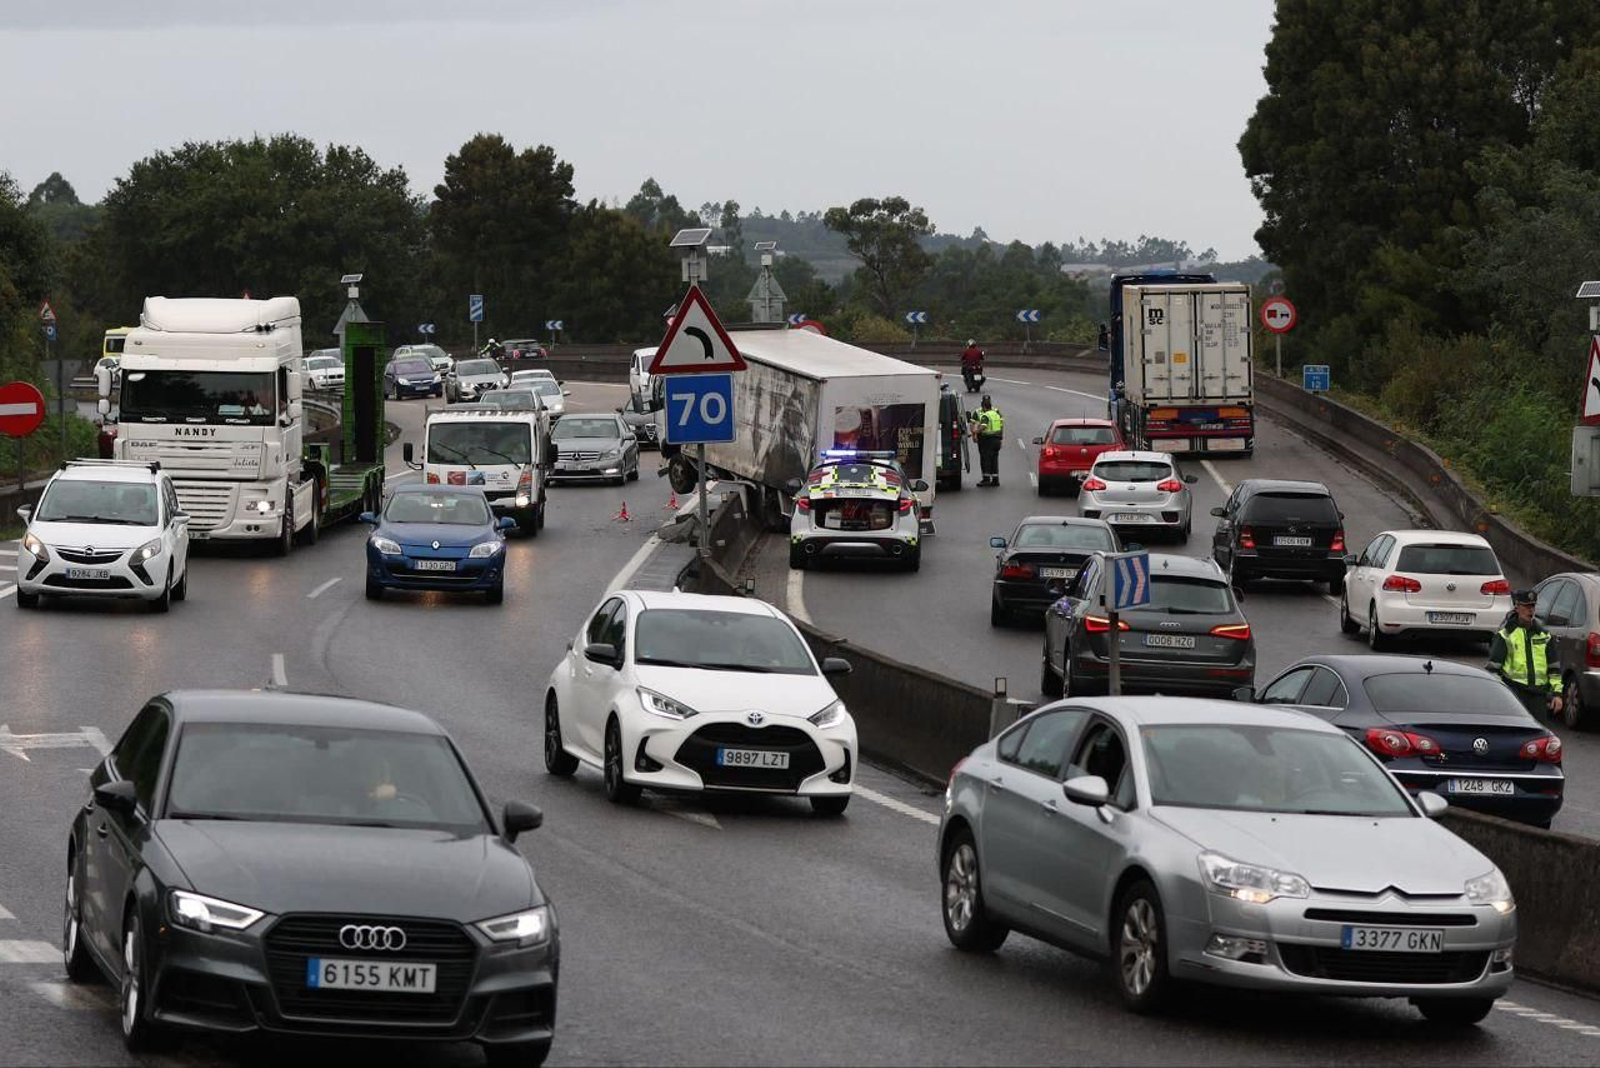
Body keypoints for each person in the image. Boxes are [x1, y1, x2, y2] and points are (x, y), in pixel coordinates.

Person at [1487, 590, 1564, 719]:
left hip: (1538, 696)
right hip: (1515, 695)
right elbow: (1493, 670)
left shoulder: (1544, 635)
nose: (1530, 610)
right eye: (1526, 606)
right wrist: (1501, 696)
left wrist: (1557, 694)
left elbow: (1554, 668)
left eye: (1533, 606)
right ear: (1517, 608)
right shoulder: (1506, 635)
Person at [970, 394, 1005, 487]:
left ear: (983, 405)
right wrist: (1001, 438)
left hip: (986, 439)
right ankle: (995, 479)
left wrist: (975, 432)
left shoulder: (986, 415)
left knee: (985, 459)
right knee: (994, 459)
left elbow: (983, 426)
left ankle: (986, 479)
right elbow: (1001, 426)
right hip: (996, 439)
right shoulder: (995, 412)